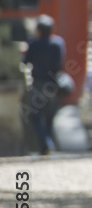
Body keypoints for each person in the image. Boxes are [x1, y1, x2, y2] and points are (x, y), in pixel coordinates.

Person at [22, 14, 64, 155]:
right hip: (52, 84)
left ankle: (45, 143)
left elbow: (26, 61)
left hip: (38, 83)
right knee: (49, 116)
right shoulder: (58, 43)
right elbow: (59, 64)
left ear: (38, 30)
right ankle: (48, 143)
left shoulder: (34, 43)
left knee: (34, 115)